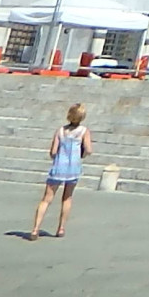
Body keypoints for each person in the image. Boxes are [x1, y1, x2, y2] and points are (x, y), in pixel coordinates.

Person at [29, 101, 91, 239]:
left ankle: (35, 229)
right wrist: (82, 154)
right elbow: (88, 149)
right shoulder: (84, 131)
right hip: (73, 167)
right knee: (67, 198)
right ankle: (61, 228)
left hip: (58, 166)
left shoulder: (60, 131)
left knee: (46, 199)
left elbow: (52, 151)